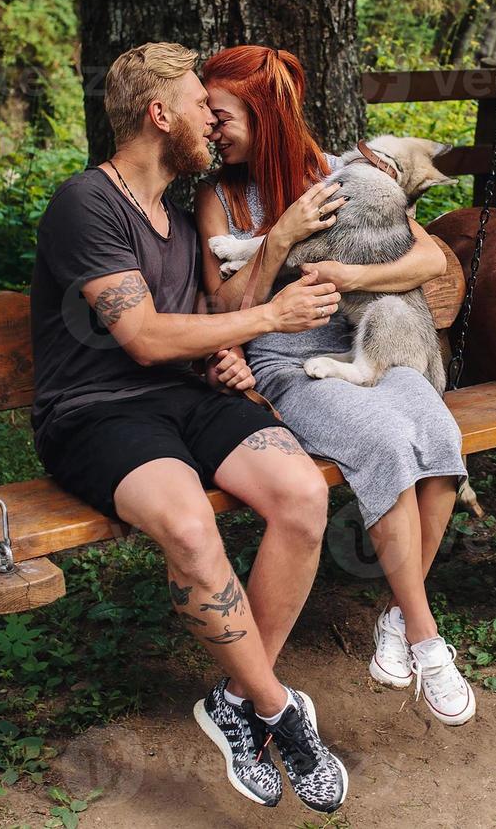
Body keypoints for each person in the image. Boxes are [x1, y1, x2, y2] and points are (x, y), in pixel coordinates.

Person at [29, 42, 348, 813]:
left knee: (303, 494)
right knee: (189, 526)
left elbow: (192, 326)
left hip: (182, 396)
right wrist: (268, 315)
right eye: (201, 104)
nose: (214, 117)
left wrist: (225, 354)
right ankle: (278, 711)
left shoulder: (172, 218)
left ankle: (236, 703)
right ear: (158, 113)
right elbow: (139, 335)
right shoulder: (87, 203)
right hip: (96, 414)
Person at [194, 45, 476, 726]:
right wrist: (281, 237)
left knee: (439, 431)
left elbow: (430, 255)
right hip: (286, 365)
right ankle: (426, 636)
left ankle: (393, 622)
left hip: (361, 348)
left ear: (264, 115)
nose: (209, 126)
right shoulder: (220, 197)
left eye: (221, 113)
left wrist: (353, 279)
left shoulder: (338, 176)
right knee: (383, 439)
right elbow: (225, 312)